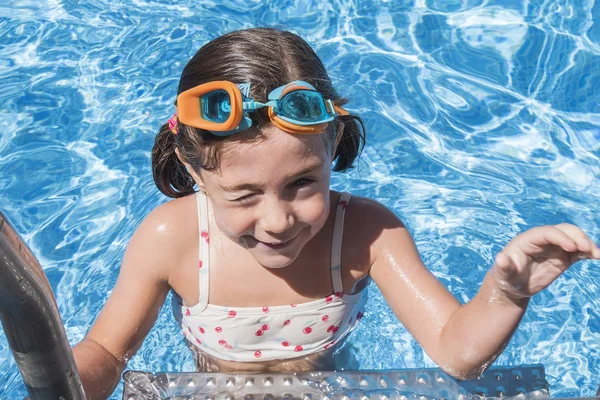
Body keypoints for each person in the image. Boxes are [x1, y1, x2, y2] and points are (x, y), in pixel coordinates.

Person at [71, 28, 600, 400]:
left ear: (334, 146)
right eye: (244, 194)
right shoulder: (171, 238)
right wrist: (56, 375)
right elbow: (108, 352)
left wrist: (505, 295)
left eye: (302, 183)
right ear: (192, 164)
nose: (277, 220)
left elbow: (457, 356)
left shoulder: (369, 234)